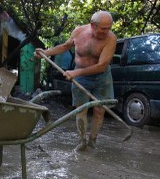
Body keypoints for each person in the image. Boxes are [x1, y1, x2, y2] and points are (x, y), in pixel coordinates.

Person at [34, 11, 117, 151]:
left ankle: (92, 141)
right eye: (103, 28)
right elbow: (65, 46)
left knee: (99, 110)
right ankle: (82, 140)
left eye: (109, 27)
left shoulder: (111, 38)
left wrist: (76, 72)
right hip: (81, 76)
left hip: (102, 77)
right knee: (81, 109)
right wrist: (46, 53)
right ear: (92, 25)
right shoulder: (79, 32)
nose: (107, 31)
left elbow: (102, 66)